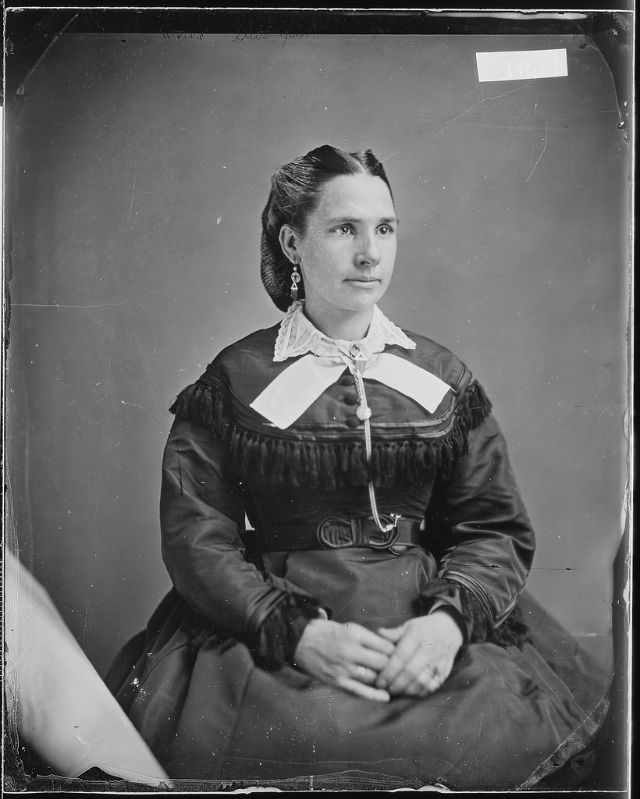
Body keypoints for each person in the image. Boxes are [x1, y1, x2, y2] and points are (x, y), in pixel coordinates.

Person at [105, 145, 610, 790]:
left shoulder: (442, 378)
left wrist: (447, 627)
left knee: (485, 735)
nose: (370, 254)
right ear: (293, 242)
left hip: (426, 628)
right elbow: (195, 537)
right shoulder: (234, 380)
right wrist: (295, 633)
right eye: (345, 229)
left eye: (385, 229)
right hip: (275, 632)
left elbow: (494, 528)